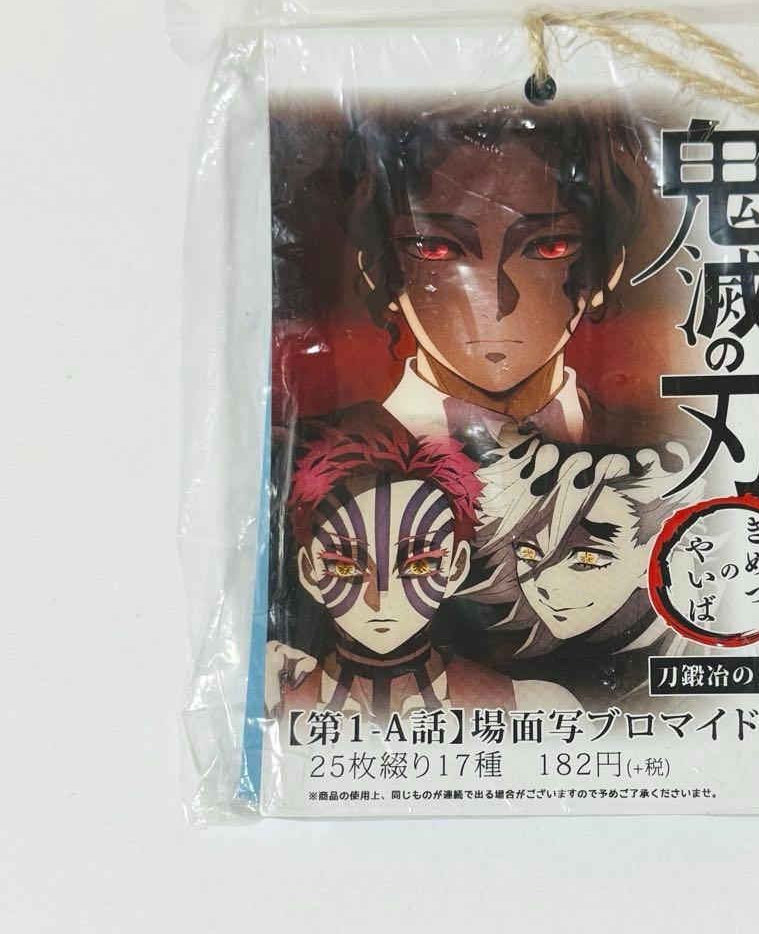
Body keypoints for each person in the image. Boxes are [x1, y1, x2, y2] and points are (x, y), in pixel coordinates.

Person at [341, 108, 652, 446]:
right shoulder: (323, 459)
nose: (494, 305)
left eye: (549, 247)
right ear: (378, 272)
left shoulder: (654, 452)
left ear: (606, 271)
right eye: (435, 249)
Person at [267, 408, 580, 722]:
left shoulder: (532, 706)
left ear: (456, 567)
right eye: (345, 568)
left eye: (418, 567)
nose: (380, 599)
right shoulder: (271, 696)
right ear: (309, 571)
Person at [463, 437, 693, 709]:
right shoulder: (518, 676)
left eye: (587, 558)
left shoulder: (690, 661)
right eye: (528, 552)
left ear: (653, 556)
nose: (543, 583)